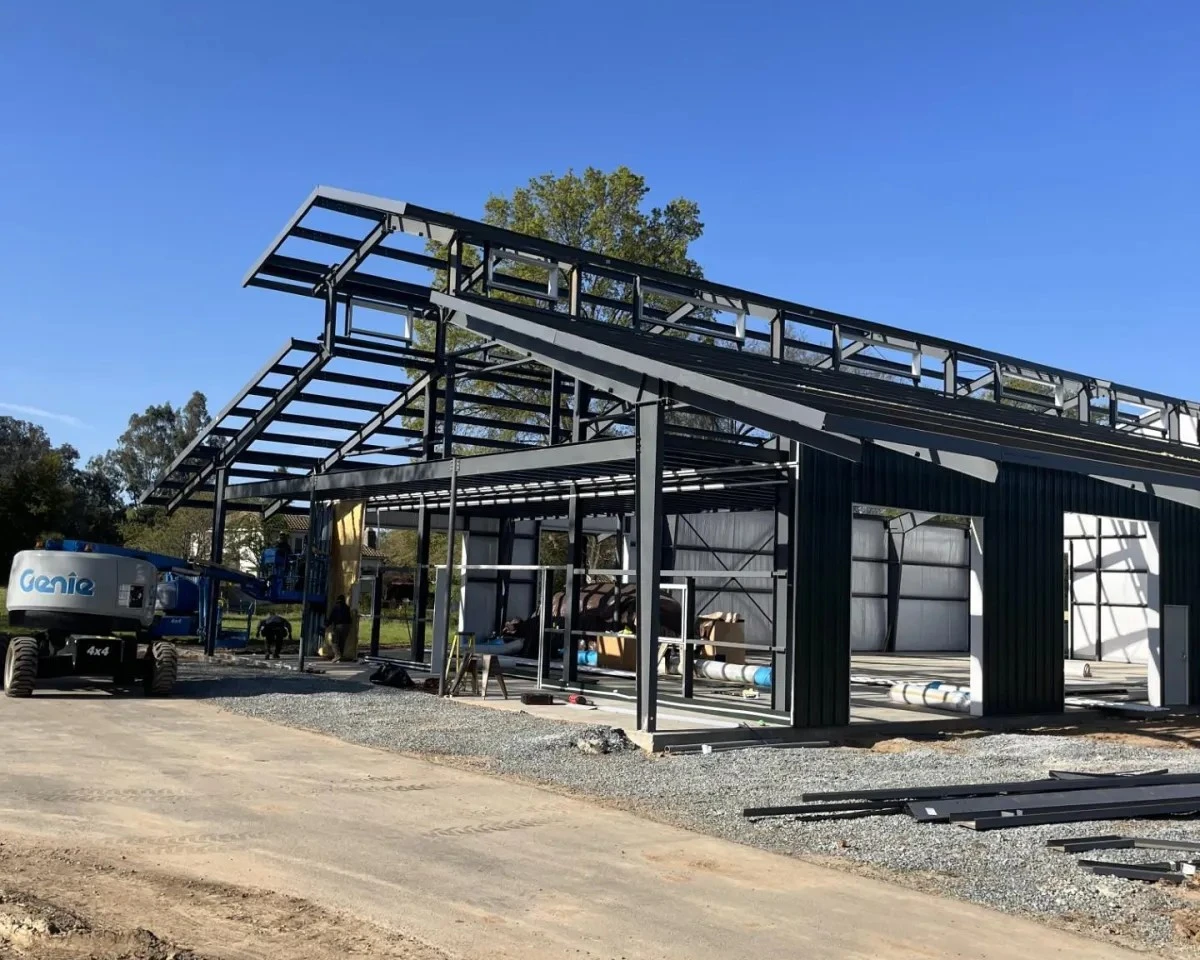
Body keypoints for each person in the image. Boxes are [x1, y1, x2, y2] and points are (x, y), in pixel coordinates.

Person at [327, 595, 353, 663]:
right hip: (347, 626)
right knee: (342, 642)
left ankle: (337, 655)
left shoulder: (336, 607)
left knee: (334, 641)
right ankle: (340, 656)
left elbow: (331, 617)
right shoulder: (347, 607)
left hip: (338, 626)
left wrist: (327, 624)